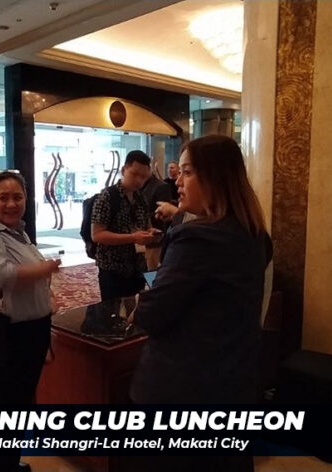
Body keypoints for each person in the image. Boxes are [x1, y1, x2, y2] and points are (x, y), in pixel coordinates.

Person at [130, 135, 272, 472]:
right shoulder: (254, 234)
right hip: (232, 382)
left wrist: (141, 302)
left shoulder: (197, 238)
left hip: (182, 391)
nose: (178, 181)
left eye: (188, 172)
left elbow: (151, 314)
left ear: (215, 177)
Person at [0, 171, 61, 472]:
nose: (11, 204)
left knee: (18, 407)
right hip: (5, 335)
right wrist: (46, 269)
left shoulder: (18, 232)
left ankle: (7, 464)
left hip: (29, 333)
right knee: (3, 411)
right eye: (3, 197)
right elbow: (1, 275)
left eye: (17, 197)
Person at [90, 150, 157, 301]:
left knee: (135, 306)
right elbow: (97, 235)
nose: (139, 181)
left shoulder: (141, 198)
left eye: (143, 177)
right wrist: (132, 238)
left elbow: (147, 226)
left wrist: (152, 233)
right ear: (123, 170)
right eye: (135, 174)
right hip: (113, 268)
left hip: (138, 266)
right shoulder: (107, 196)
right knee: (112, 309)